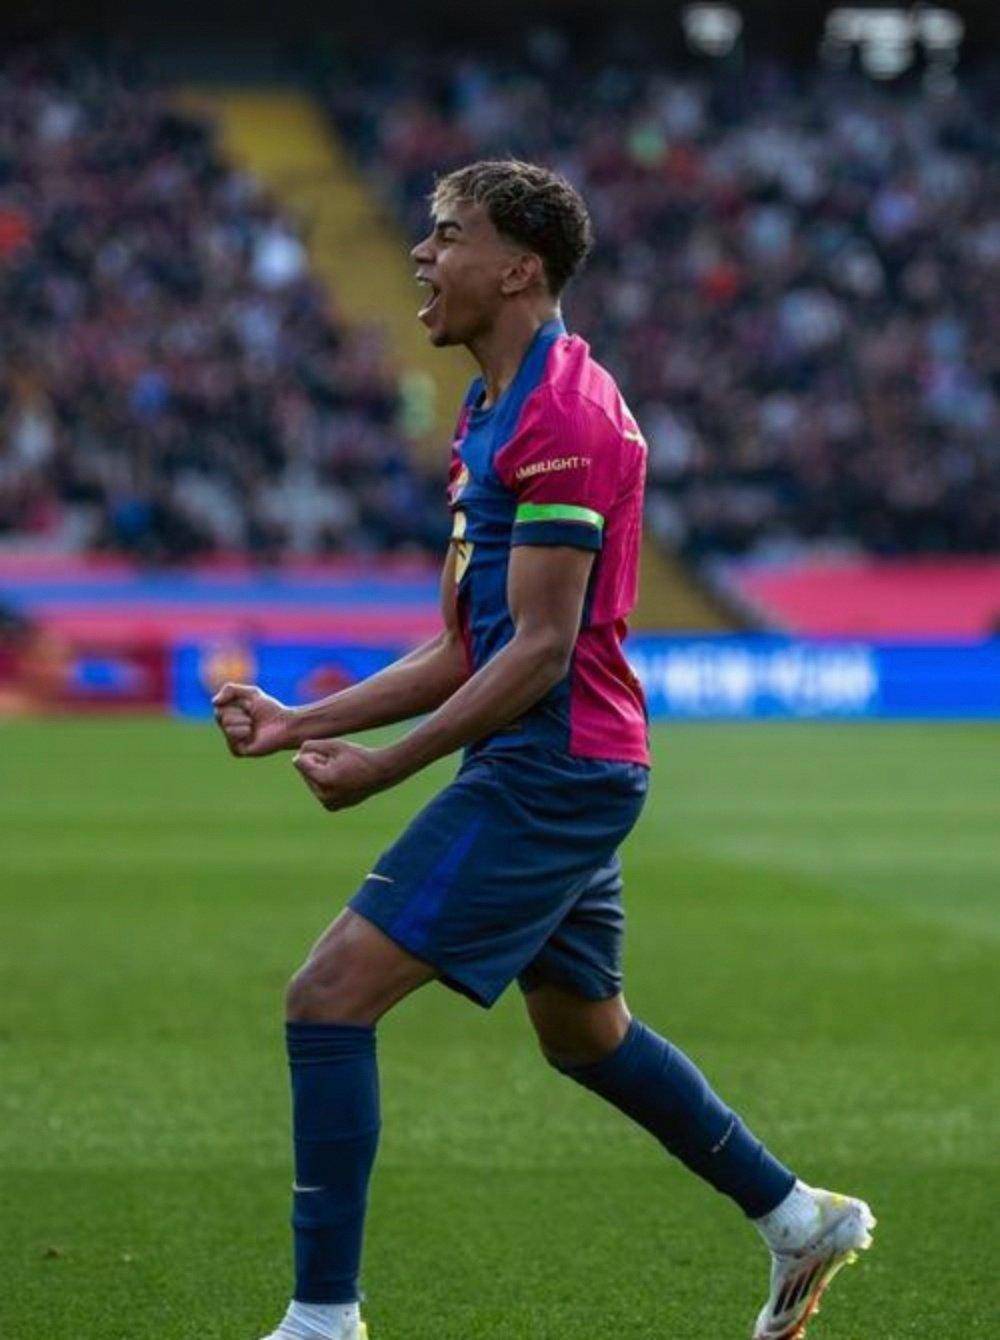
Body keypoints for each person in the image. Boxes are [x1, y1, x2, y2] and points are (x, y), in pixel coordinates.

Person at [213, 160, 874, 1340]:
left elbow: (539, 649)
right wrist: (303, 721)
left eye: (447, 233)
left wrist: (383, 766)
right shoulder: (494, 406)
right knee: (584, 1033)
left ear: (518, 267)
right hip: (561, 757)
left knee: (327, 997)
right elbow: (467, 643)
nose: (421, 253)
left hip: (552, 766)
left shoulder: (560, 416)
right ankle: (794, 1215)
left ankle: (322, 1320)